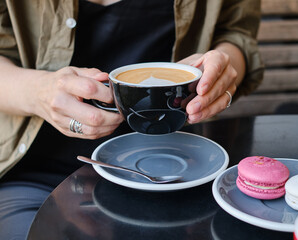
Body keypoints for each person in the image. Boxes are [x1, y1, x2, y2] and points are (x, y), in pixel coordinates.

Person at [0, 0, 264, 238]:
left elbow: (236, 34)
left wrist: (223, 71)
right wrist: (38, 92)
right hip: (41, 175)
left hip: (180, 171)